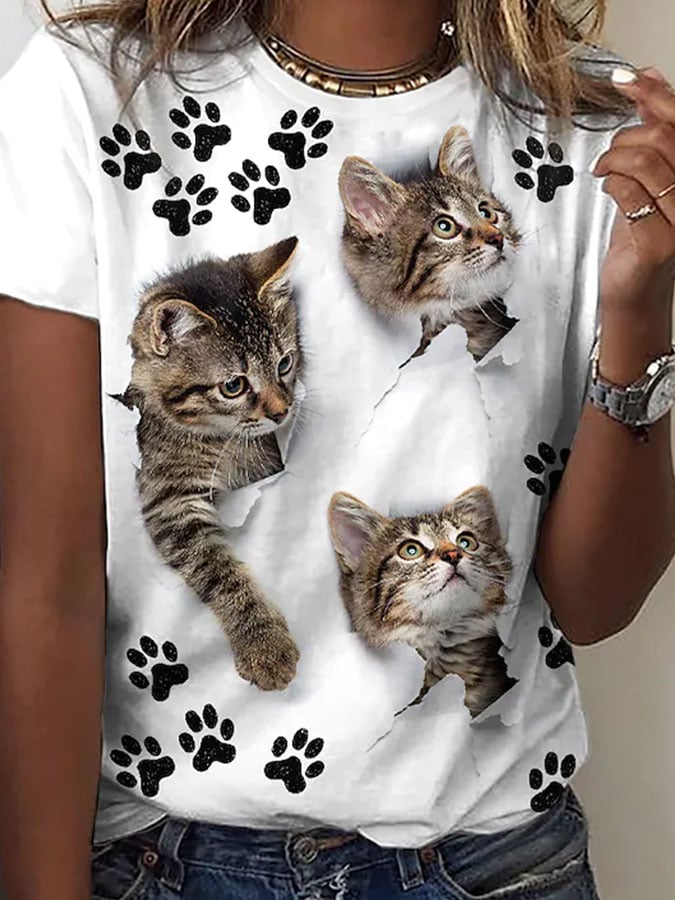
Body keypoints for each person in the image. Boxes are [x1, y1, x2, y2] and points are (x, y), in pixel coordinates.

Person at [1, 0, 674, 897]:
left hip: (492, 853)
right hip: (168, 857)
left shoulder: (591, 126)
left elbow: (594, 604)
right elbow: (45, 590)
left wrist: (640, 305)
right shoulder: (92, 91)